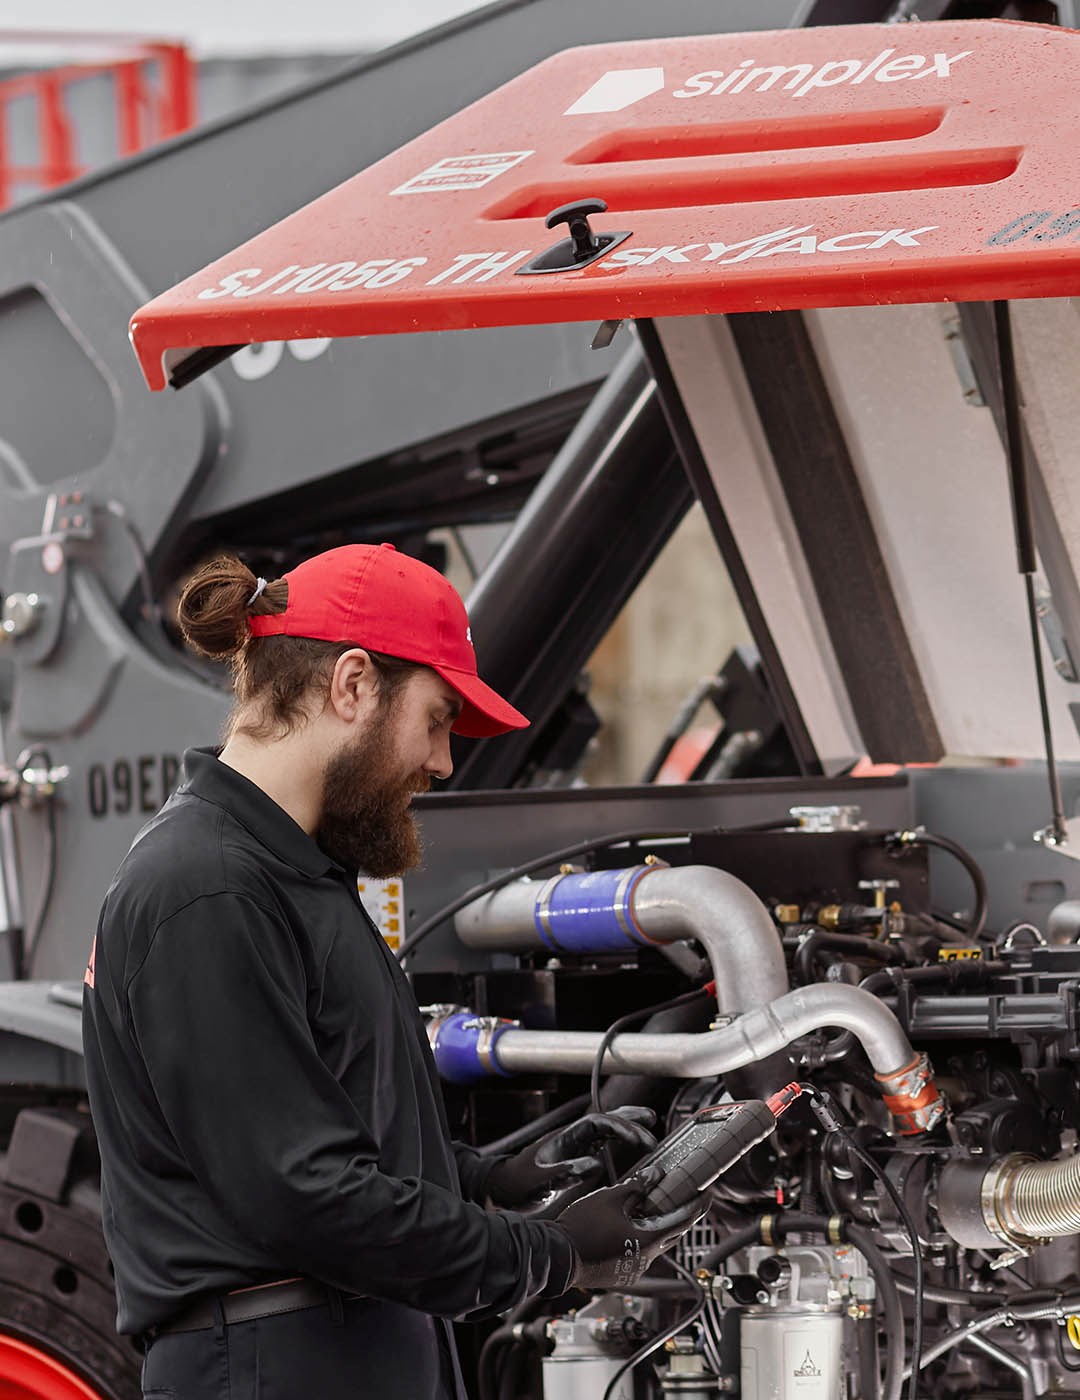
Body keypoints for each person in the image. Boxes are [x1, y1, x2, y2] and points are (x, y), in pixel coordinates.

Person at [82, 543, 704, 1400]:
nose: (443, 762)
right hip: (281, 1365)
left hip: (334, 1347)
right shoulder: (209, 888)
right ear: (352, 685)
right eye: (438, 717)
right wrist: (554, 1257)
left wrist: (504, 1176)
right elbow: (306, 1194)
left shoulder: (290, 878)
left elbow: (330, 1135)